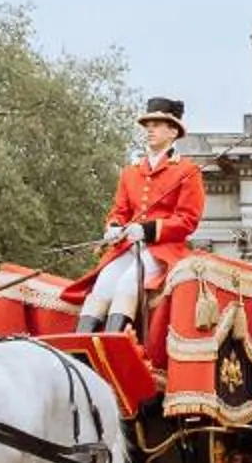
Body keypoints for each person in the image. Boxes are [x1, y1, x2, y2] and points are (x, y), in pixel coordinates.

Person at [76, 98, 205, 334]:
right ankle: (80, 346)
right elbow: (119, 211)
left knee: (128, 281)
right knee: (104, 282)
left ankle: (115, 343)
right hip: (128, 246)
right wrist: (114, 227)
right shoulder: (131, 172)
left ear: (173, 131)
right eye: (148, 125)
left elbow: (187, 220)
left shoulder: (187, 171)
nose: (150, 130)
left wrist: (146, 230)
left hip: (164, 250)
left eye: (157, 124)